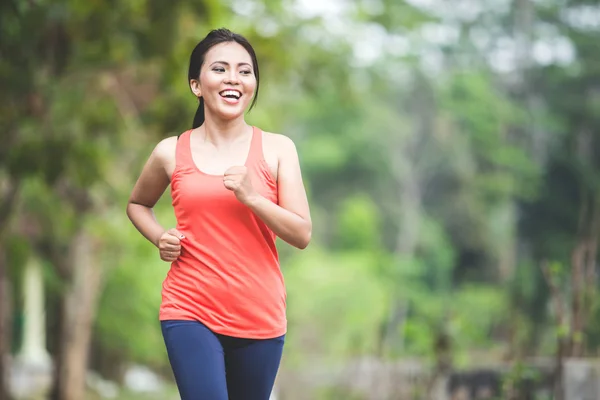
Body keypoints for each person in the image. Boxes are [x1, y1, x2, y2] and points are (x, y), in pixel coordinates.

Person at [126, 28, 312, 400]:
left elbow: (302, 233)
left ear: (253, 84)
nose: (234, 79)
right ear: (196, 84)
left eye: (245, 71)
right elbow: (137, 204)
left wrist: (253, 197)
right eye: (221, 69)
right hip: (189, 307)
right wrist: (159, 236)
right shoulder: (170, 151)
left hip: (259, 314)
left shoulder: (278, 149)